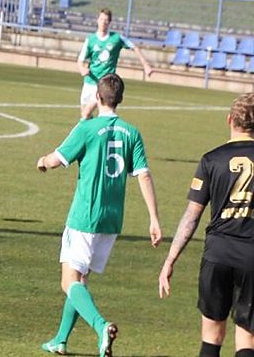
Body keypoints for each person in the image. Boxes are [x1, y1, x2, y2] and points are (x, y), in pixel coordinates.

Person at [36, 73, 162, 357]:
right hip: (112, 220)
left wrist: (42, 161)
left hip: (85, 216)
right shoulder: (132, 133)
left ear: (97, 97)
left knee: (69, 282)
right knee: (80, 281)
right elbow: (143, 175)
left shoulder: (87, 128)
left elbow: (56, 160)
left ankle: (101, 325)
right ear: (121, 99)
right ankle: (60, 340)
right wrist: (154, 219)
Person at [159, 93, 254, 357]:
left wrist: (170, 258)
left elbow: (192, 216)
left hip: (217, 254)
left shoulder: (211, 159)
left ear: (230, 120)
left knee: (212, 337)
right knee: (247, 337)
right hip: (251, 256)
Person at [77, 8, 154, 120]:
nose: (103, 22)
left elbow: (134, 47)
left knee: (86, 114)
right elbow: (80, 60)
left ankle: (97, 129)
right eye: (101, 19)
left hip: (104, 84)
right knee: (85, 115)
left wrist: (146, 65)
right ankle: (97, 129)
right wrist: (82, 69)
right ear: (97, 20)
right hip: (89, 82)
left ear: (109, 22)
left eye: (106, 20)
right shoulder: (91, 40)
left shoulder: (116, 38)